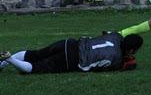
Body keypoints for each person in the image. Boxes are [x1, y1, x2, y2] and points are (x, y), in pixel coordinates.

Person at [0, 32, 143, 74]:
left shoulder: (116, 36)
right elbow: (99, 67)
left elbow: (106, 33)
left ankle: (2, 63)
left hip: (70, 43)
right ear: (130, 50)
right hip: (73, 59)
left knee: (34, 55)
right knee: (37, 67)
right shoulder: (116, 59)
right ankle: (9, 58)